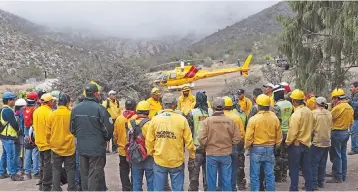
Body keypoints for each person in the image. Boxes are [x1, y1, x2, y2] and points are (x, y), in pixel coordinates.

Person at [146, 93, 195, 191]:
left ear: (163, 104)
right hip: (176, 161)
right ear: (175, 105)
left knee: (158, 189)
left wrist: (151, 153)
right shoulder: (182, 120)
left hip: (159, 160)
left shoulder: (155, 120)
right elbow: (189, 141)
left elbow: (149, 140)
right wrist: (192, 156)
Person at [70, 84, 114, 191]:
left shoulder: (75, 109)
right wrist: (104, 139)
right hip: (96, 149)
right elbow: (108, 130)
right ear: (95, 94)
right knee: (95, 175)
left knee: (84, 175)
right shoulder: (100, 109)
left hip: (82, 147)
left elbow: (72, 129)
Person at [198, 97, 241, 191]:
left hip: (211, 154)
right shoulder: (230, 121)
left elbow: (201, 138)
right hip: (226, 154)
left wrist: (207, 145)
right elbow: (237, 138)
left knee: (211, 181)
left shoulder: (206, 121)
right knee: (226, 180)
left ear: (213, 107)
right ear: (224, 106)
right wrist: (229, 144)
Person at [245, 94, 282, 191]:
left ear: (258, 105)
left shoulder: (253, 119)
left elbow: (248, 137)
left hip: (256, 148)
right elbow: (279, 137)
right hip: (270, 148)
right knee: (270, 175)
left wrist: (248, 147)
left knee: (255, 175)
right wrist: (276, 146)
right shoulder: (274, 118)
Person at [286, 89, 314, 191]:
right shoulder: (309, 111)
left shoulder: (296, 115)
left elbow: (292, 133)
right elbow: (312, 127)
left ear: (293, 101)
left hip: (296, 145)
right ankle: (309, 188)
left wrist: (287, 143)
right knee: (307, 168)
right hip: (306, 144)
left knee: (294, 169)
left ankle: (294, 189)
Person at [47, 93, 76, 191]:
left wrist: (49, 142)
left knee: (56, 169)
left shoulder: (52, 114)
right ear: (67, 103)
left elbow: (48, 132)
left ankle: (56, 189)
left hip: (55, 146)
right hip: (69, 147)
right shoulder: (71, 114)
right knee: (71, 169)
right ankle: (71, 188)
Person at [187, 92, 213, 191]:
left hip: (195, 148)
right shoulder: (211, 112)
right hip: (209, 148)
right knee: (208, 175)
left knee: (193, 175)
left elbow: (189, 130)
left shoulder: (192, 113)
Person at [327, 88, 354, 183]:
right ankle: (343, 174)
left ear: (337, 98)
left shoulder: (338, 107)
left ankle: (337, 177)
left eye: (333, 99)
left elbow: (329, 117)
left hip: (337, 133)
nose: (333, 100)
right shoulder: (349, 107)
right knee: (343, 155)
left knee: (336, 155)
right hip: (346, 132)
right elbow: (352, 121)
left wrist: (330, 107)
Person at [128, 100, 154, 191]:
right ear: (148, 111)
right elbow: (152, 140)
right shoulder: (150, 124)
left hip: (135, 155)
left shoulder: (130, 123)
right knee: (151, 181)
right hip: (148, 156)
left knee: (136, 182)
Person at [33, 93, 56, 190]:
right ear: (49, 102)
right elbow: (50, 129)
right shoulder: (49, 113)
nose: (54, 102)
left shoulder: (36, 111)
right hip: (47, 143)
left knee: (42, 164)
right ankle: (46, 185)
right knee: (48, 165)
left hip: (39, 142)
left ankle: (41, 183)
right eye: (52, 101)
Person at [221, 96, 245, 191]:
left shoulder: (218, 117)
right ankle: (232, 188)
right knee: (234, 168)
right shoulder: (236, 117)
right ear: (231, 106)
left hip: (222, 146)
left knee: (223, 169)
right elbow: (242, 133)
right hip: (233, 146)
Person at [113, 99, 137, 191]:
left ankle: (125, 187)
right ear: (135, 107)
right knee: (135, 168)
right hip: (134, 150)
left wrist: (117, 143)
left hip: (122, 149)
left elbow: (115, 134)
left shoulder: (119, 118)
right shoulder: (136, 118)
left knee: (123, 169)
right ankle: (135, 185)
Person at [0, 92, 24, 181]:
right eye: (12, 99)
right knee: (10, 155)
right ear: (8, 101)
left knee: (5, 155)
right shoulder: (8, 110)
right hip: (8, 137)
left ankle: (2, 172)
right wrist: (18, 130)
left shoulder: (4, 109)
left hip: (4, 136)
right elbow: (14, 124)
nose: (14, 101)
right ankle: (13, 174)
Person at [272, 85, 293, 182]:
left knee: (278, 155)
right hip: (288, 132)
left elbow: (275, 121)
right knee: (286, 155)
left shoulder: (277, 106)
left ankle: (278, 176)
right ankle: (284, 175)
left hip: (280, 133)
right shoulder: (289, 104)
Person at [310, 97, 332, 190]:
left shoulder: (313, 113)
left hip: (316, 141)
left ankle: (314, 184)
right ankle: (321, 182)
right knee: (322, 163)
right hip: (326, 141)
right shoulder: (329, 113)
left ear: (316, 103)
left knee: (314, 164)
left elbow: (311, 129)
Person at [22, 92, 40, 180]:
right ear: (36, 99)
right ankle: (36, 172)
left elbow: (22, 123)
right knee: (35, 153)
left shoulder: (23, 109)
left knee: (27, 153)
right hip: (34, 133)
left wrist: (25, 134)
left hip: (26, 133)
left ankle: (27, 172)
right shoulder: (36, 109)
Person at [14, 98, 27, 175]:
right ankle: (20, 168)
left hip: (14, 135)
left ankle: (17, 168)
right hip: (20, 135)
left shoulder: (14, 113)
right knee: (21, 152)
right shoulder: (21, 114)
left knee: (16, 152)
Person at [348, 81, 358, 155]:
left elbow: (356, 105)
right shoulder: (353, 95)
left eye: (352, 87)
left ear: (356, 87)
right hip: (353, 117)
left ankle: (354, 149)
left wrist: (350, 101)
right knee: (354, 133)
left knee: (354, 133)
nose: (351, 88)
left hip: (356, 117)